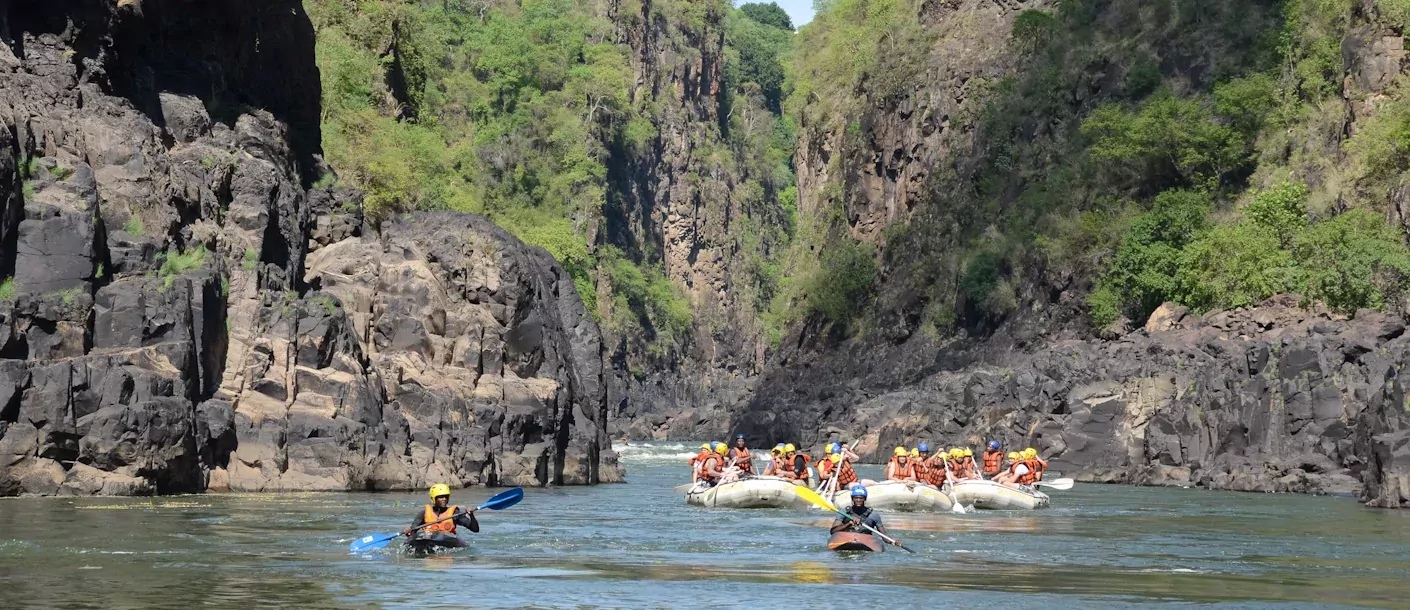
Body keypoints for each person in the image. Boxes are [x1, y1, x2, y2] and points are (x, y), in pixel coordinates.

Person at [401, 484, 479, 549]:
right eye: (441, 497)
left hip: (447, 540)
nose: (444, 499)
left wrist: (471, 516)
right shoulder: (423, 513)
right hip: (428, 539)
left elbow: (475, 529)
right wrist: (408, 532)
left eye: (446, 496)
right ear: (434, 498)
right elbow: (412, 532)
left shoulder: (454, 513)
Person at [829, 486, 901, 547]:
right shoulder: (844, 512)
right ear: (852, 498)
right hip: (846, 539)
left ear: (865, 498)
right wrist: (849, 524)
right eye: (856, 498)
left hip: (865, 541)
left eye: (861, 498)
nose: (858, 500)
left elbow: (884, 535)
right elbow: (833, 531)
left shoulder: (874, 515)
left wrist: (892, 541)